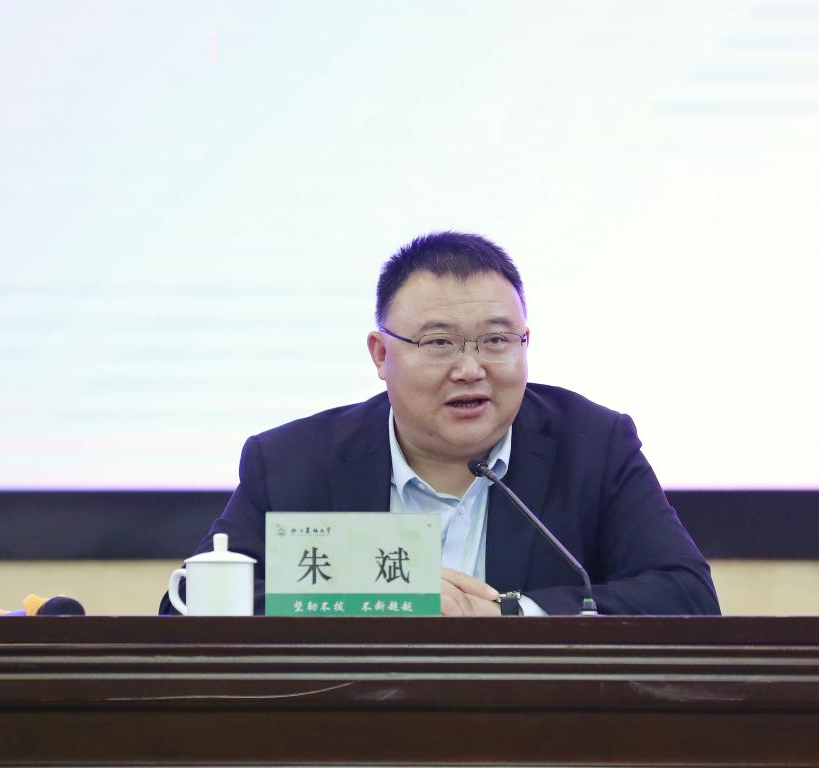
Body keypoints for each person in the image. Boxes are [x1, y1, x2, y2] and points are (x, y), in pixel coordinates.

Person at [160, 232, 719, 616]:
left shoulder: (593, 445)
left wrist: (513, 613)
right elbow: (188, 605)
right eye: (439, 343)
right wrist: (381, 596)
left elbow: (687, 596)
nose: (471, 368)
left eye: (496, 340)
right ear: (381, 355)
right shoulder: (293, 461)